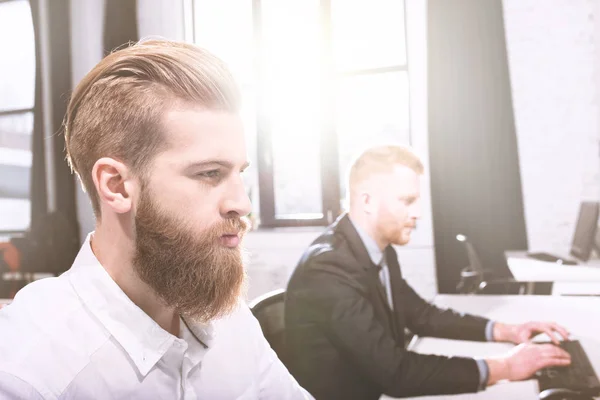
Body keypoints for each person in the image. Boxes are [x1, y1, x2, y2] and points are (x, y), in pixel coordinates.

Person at [0, 39, 311, 400]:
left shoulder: (231, 322)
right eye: (209, 173)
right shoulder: (26, 372)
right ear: (117, 186)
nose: (241, 203)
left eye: (239, 173)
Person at [285, 145, 571, 400]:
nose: (418, 213)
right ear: (367, 201)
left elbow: (421, 315)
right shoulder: (328, 268)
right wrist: (505, 367)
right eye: (407, 201)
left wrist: (506, 330)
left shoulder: (378, 249)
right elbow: (396, 374)